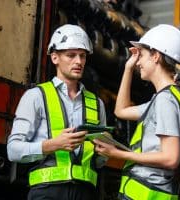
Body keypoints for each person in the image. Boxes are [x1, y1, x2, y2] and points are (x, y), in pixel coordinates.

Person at [7, 24, 107, 200]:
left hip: (85, 193)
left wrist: (104, 153)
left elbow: (98, 161)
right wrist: (53, 144)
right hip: (47, 192)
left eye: (82, 56)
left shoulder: (97, 104)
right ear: (55, 57)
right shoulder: (36, 96)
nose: (78, 61)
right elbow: (13, 150)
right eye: (71, 55)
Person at [93, 24, 180, 200]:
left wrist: (118, 154)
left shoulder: (165, 101)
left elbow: (170, 158)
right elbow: (121, 110)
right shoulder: (164, 98)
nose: (139, 62)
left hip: (146, 193)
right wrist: (128, 68)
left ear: (156, 56)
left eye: (142, 56)